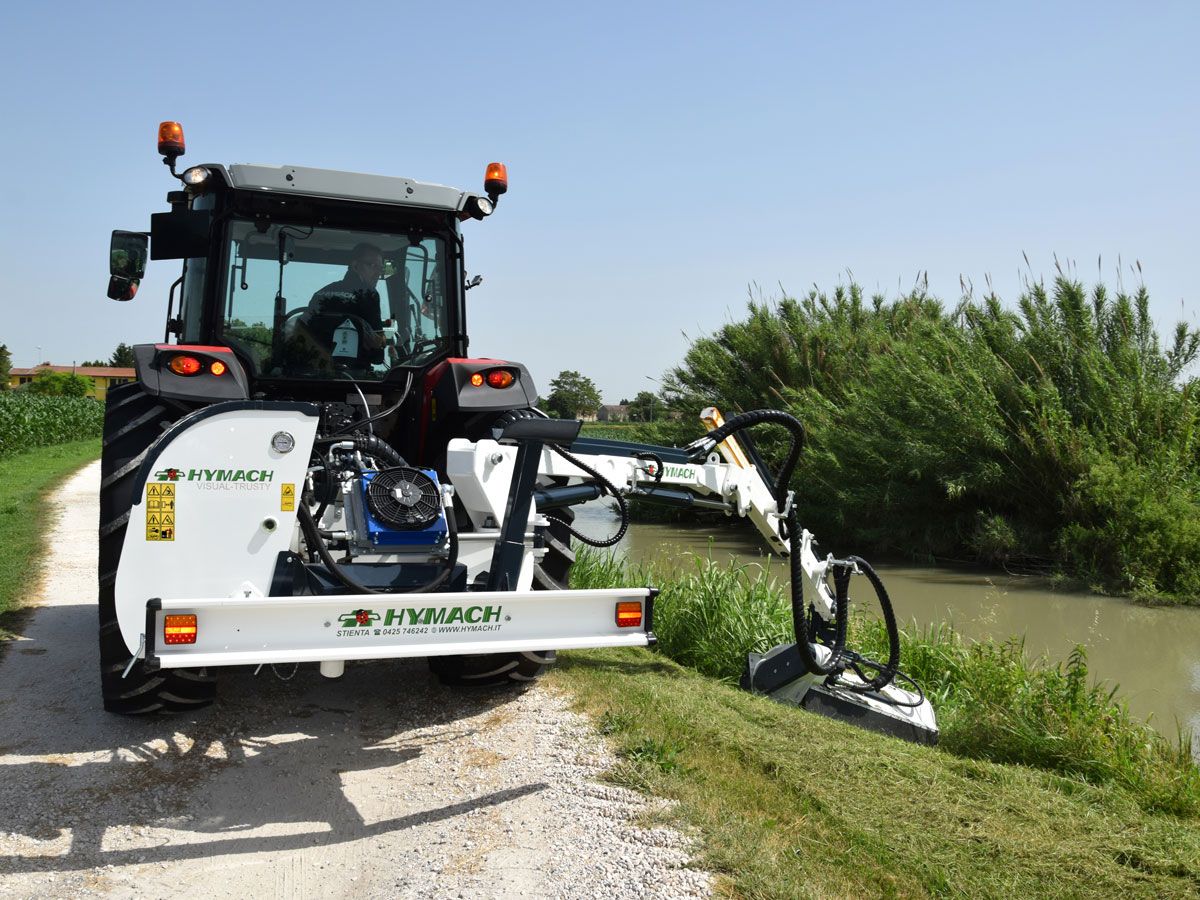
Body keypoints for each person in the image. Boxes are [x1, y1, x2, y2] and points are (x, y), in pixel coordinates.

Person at [303, 242, 387, 359]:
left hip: (314, 364)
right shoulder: (368, 294)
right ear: (355, 265)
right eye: (373, 266)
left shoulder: (322, 293)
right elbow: (377, 352)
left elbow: (305, 331)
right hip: (353, 367)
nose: (378, 273)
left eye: (380, 268)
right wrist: (382, 342)